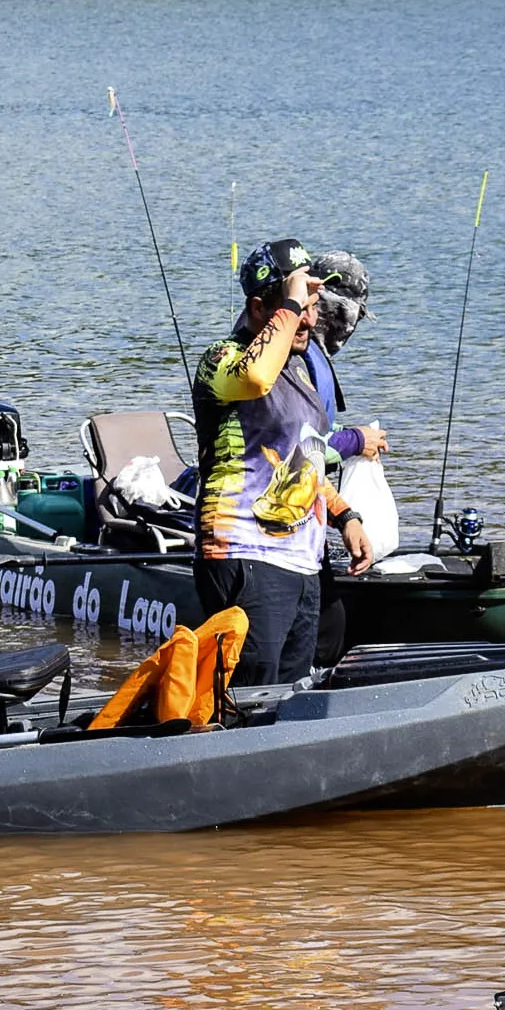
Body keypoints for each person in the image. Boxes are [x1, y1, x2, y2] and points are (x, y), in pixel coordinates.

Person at [192, 237, 376, 686]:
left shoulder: (298, 371)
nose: (309, 318)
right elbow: (254, 378)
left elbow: (303, 459)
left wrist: (345, 516)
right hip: (242, 552)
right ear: (259, 309)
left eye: (312, 305)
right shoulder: (222, 359)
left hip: (300, 563)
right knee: (249, 696)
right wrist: (291, 300)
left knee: (291, 696)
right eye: (298, 307)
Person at [303, 251, 389, 668]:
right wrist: (358, 440)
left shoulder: (310, 355)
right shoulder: (306, 360)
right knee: (326, 628)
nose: (352, 328)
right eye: (354, 315)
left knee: (328, 625)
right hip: (284, 532)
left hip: (310, 516)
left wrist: (343, 516)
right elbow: (303, 448)